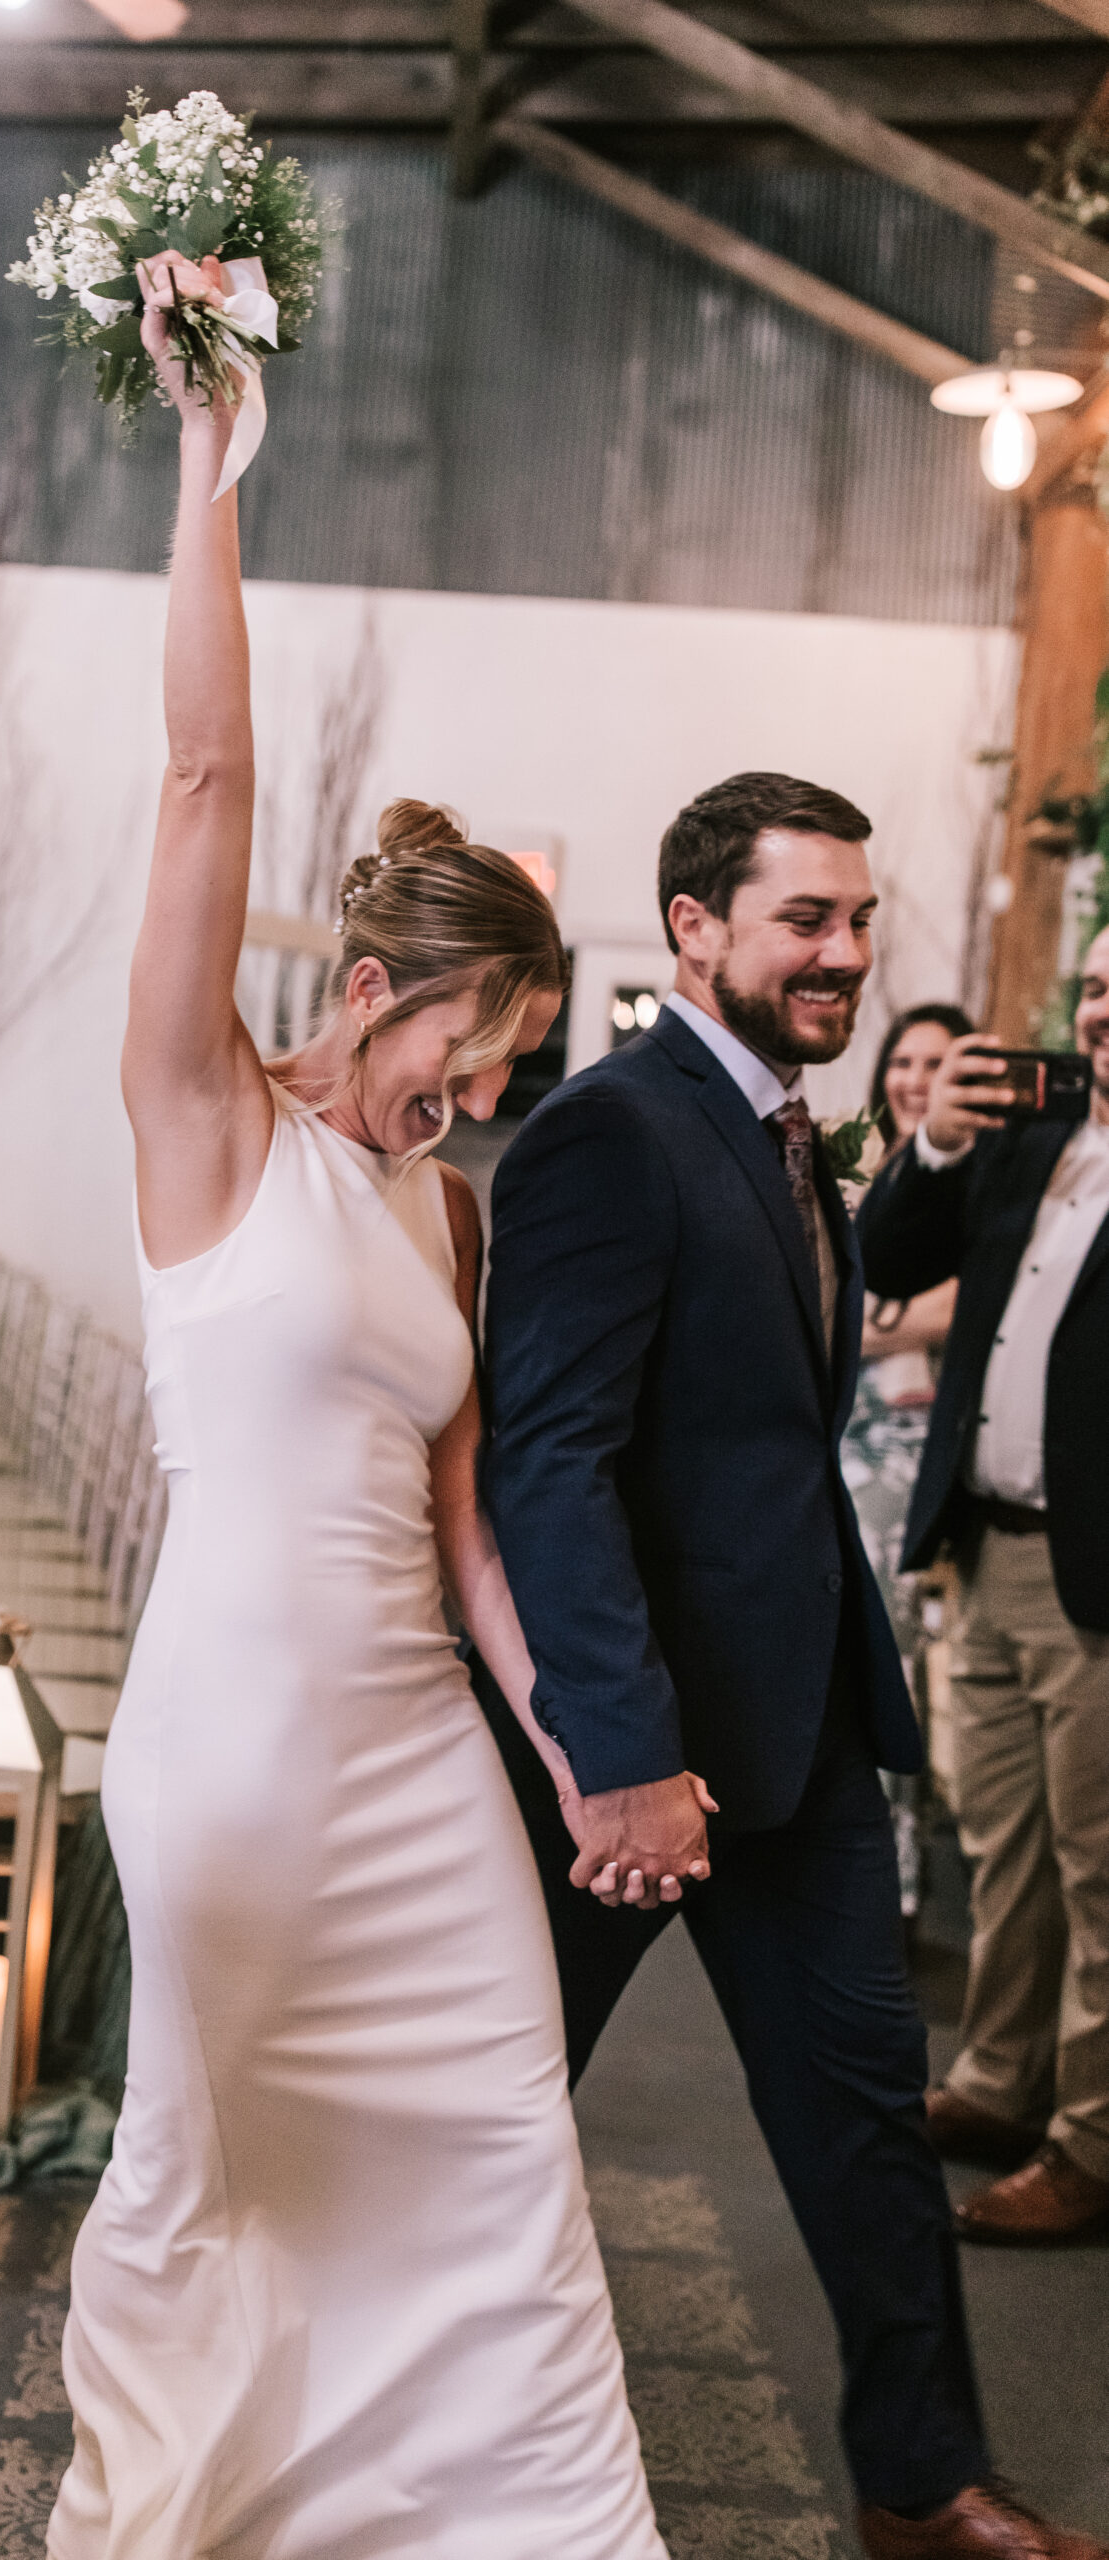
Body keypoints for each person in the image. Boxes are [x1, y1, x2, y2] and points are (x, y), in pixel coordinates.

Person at [50, 248, 680, 2559]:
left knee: (501, 2148)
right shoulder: (201, 1109)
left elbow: (467, 1530)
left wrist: (565, 1750)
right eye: (464, 1048)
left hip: (420, 1756)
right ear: (392, 985)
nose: (478, 1093)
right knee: (219, 2171)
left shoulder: (452, 1217)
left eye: (513, 1068)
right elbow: (201, 762)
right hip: (227, 1731)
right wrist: (209, 452)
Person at [477, 773, 1106, 2559]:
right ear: (695, 930)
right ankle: (354, 2424)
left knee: (866, 2130)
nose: (845, 953)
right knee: (491, 2101)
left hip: (804, 1740)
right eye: (804, 922)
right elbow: (550, 1461)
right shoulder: (616, 1131)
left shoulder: (776, 1127)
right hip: (629, 1755)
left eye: (855, 919)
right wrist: (611, 1753)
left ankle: (925, 2480)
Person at [859, 930, 1109, 2249]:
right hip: (990, 1541)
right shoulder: (1027, 1140)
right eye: (1094, 985)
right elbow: (887, 1258)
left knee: (1097, 1869)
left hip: (1096, 1576)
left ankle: (1088, 2142)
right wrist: (938, 1144)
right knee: (999, 1844)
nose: (1101, 1009)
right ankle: (999, 2082)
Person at [840, 1004, 972, 1912]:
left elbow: (956, 1310)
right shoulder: (849, 1163)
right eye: (902, 1060)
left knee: (897, 1662)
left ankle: (894, 1883)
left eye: (936, 1061)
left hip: (919, 1447)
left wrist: (869, 1317)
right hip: (836, 1434)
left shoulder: (977, 1178)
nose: (913, 1078)